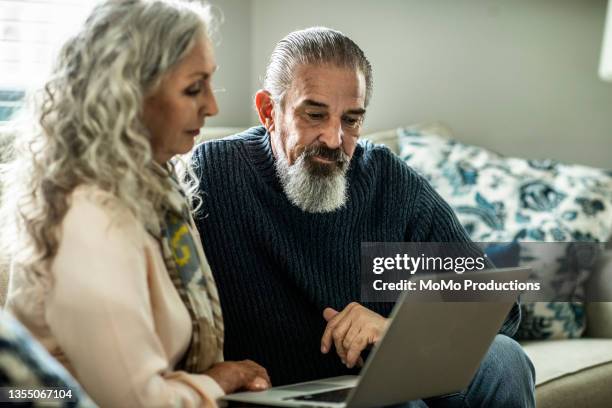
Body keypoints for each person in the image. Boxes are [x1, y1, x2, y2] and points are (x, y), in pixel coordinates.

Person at [191, 27, 536, 407]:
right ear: (269, 111)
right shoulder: (211, 174)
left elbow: (496, 302)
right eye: (315, 114)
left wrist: (395, 332)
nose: (334, 138)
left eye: (351, 120)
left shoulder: (386, 178)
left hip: (383, 381)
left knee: (505, 358)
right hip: (279, 395)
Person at [1, 1, 270, 407]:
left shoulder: (154, 189)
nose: (213, 106)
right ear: (127, 95)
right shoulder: (90, 216)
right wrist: (220, 379)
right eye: (193, 88)